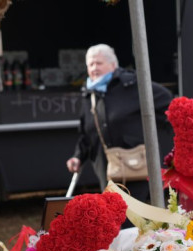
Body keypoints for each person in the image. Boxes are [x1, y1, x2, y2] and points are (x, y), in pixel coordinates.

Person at [66, 44, 172, 204]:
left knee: (134, 218)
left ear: (113, 65)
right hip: (108, 171)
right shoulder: (89, 94)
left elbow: (167, 101)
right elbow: (87, 133)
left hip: (135, 168)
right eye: (90, 64)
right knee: (114, 217)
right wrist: (77, 156)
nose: (94, 68)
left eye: (99, 63)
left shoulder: (132, 85)